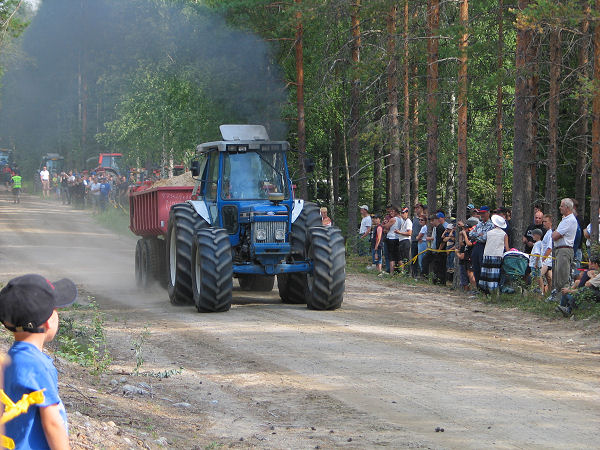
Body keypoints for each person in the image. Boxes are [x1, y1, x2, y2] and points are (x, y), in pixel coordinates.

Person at [0, 274, 77, 449]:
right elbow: (52, 423)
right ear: (49, 320)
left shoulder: (12, 359)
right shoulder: (36, 366)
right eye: (56, 310)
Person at [550, 198, 578, 300]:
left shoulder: (569, 220)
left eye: (561, 206)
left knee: (563, 277)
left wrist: (556, 233)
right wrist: (556, 234)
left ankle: (566, 302)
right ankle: (559, 299)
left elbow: (555, 236)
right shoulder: (565, 220)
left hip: (564, 251)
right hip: (560, 250)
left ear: (567, 207)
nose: (560, 208)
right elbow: (556, 235)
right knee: (558, 277)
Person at [478, 214, 509, 294]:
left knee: (486, 273)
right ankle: (493, 290)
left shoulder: (489, 233)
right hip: (497, 255)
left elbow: (483, 239)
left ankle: (484, 290)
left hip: (487, 254)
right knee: (494, 274)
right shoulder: (504, 234)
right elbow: (507, 247)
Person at [469, 206, 494, 285]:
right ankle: (478, 286)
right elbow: (470, 233)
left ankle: (484, 287)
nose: (482, 215)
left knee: (482, 266)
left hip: (485, 247)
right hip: (477, 246)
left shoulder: (491, 225)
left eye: (483, 213)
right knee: (475, 266)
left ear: (488, 213)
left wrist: (477, 236)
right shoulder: (479, 224)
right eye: (480, 213)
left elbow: (485, 238)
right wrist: (479, 235)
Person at [456, 217, 478, 292]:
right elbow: (462, 243)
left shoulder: (473, 236)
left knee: (471, 274)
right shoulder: (467, 235)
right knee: (468, 274)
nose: (464, 230)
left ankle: (475, 289)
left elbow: (469, 243)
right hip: (467, 257)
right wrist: (460, 236)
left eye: (466, 229)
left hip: (471, 257)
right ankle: (472, 289)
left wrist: (465, 235)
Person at [380, 206, 401, 276]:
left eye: (392, 211)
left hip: (391, 238)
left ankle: (391, 272)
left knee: (391, 256)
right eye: (390, 212)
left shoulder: (393, 219)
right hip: (397, 238)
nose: (390, 213)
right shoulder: (400, 219)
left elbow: (386, 226)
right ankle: (401, 272)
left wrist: (383, 224)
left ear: (396, 212)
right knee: (398, 256)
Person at [541, 214, 554, 295]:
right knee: (549, 278)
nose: (544, 223)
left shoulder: (550, 234)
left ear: (550, 223)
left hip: (547, 260)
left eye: (546, 221)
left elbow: (549, 248)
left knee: (538, 275)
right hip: (546, 260)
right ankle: (550, 293)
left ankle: (541, 292)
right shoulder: (547, 233)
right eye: (543, 222)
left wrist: (543, 259)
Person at [410, 204, 424, 277]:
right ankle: (414, 274)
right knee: (414, 258)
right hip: (414, 240)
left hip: (421, 241)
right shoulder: (414, 218)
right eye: (415, 208)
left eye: (418, 208)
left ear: (421, 209)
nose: (416, 210)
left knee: (421, 258)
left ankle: (421, 274)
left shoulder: (424, 218)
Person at [397, 207, 412, 272]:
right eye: (401, 213)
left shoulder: (408, 221)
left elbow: (409, 233)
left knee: (406, 257)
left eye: (403, 213)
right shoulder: (403, 221)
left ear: (407, 213)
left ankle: (408, 272)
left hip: (406, 240)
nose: (402, 214)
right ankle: (403, 271)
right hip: (401, 240)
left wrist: (399, 232)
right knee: (402, 257)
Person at [528, 228, 544, 293]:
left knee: (536, 277)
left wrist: (536, 264)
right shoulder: (538, 243)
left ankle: (539, 289)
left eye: (534, 235)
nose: (533, 237)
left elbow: (537, 254)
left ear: (538, 236)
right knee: (536, 276)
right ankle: (537, 289)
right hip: (536, 263)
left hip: (535, 264)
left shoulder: (537, 244)